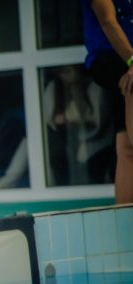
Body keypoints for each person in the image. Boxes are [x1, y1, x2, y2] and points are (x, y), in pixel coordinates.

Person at [82, 0, 133, 203]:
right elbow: (107, 20)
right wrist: (132, 61)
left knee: (126, 146)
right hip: (112, 56)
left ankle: (123, 217)